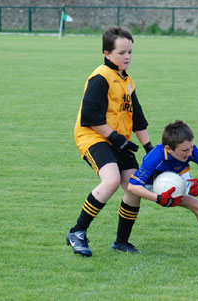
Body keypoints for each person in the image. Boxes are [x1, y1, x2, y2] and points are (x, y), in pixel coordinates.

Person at [66, 27, 154, 257]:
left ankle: (121, 242)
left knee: (135, 186)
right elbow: (90, 116)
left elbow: (137, 117)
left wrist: (150, 150)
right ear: (107, 53)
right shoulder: (101, 77)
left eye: (130, 52)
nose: (127, 57)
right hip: (93, 137)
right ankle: (77, 232)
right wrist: (114, 137)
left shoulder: (127, 80)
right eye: (121, 52)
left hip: (118, 140)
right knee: (112, 179)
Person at [127, 120, 198, 257]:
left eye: (191, 148)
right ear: (168, 149)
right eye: (185, 150)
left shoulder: (189, 149)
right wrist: (159, 198)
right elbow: (133, 186)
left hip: (178, 178)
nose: (189, 153)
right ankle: (121, 241)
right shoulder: (155, 157)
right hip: (154, 185)